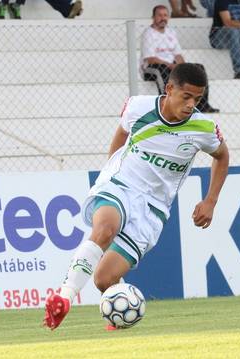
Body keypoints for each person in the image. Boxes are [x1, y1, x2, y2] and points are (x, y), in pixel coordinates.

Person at [43, 63, 230, 330]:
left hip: (153, 209)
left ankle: (118, 315)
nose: (191, 104)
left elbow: (222, 156)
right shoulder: (139, 107)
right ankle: (64, 297)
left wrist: (210, 200)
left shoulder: (203, 127)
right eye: (186, 97)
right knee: (106, 228)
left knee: (104, 280)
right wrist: (110, 171)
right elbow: (122, 132)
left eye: (197, 99)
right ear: (169, 89)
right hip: (122, 185)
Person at [142, 5, 219, 113]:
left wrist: (182, 67)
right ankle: (165, 104)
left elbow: (178, 55)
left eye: (165, 15)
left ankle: (203, 105)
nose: (163, 18)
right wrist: (171, 65)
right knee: (162, 69)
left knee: (199, 68)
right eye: (159, 15)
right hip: (152, 68)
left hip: (171, 66)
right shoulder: (148, 33)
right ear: (153, 17)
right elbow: (151, 59)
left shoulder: (171, 32)